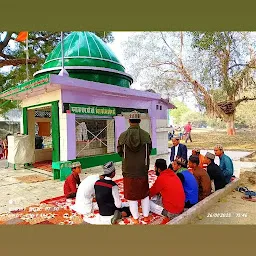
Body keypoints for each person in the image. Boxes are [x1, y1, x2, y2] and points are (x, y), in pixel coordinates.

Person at [117, 110, 152, 224]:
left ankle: (136, 218)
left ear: (129, 121)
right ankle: (146, 217)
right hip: (142, 169)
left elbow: (119, 152)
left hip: (128, 170)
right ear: (140, 121)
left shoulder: (123, 136)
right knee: (144, 193)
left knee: (131, 195)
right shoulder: (146, 135)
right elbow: (149, 151)